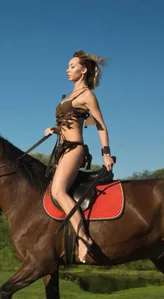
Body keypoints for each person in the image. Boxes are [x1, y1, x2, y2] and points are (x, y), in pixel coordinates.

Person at [44, 49, 114, 263]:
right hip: (62, 149)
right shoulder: (71, 95)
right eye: (68, 66)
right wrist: (55, 130)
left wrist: (106, 153)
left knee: (58, 191)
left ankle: (83, 238)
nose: (68, 70)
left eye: (72, 66)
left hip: (75, 149)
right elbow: (72, 124)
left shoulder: (87, 96)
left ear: (83, 71)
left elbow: (100, 125)